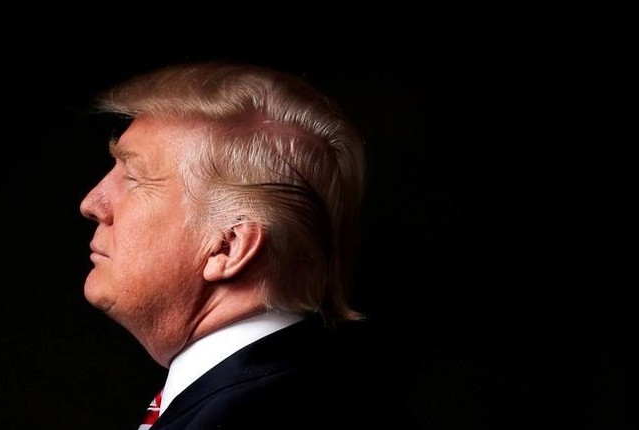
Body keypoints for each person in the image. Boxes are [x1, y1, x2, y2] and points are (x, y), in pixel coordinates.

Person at [79, 60, 416, 429]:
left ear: (228, 246)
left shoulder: (246, 415)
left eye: (133, 177)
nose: (92, 203)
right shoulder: (329, 393)